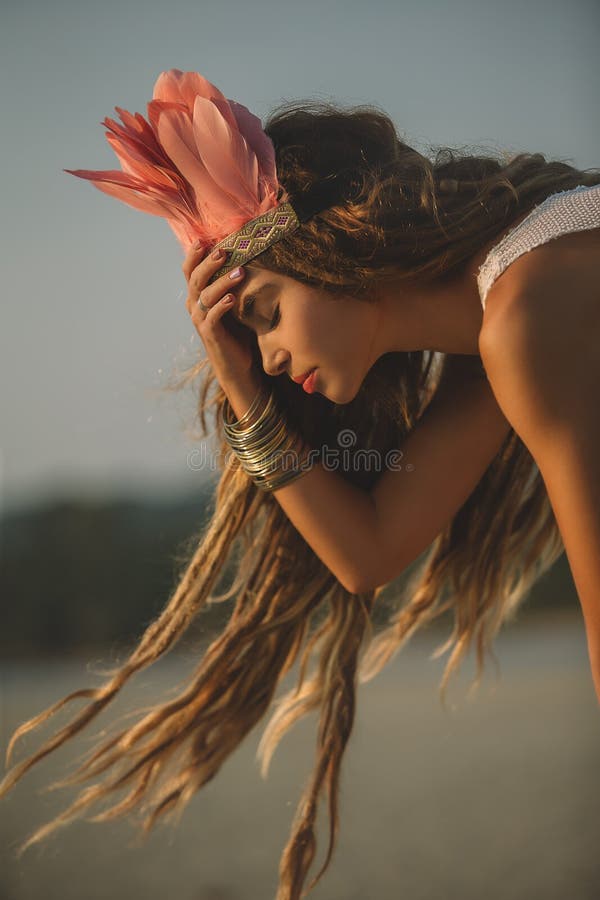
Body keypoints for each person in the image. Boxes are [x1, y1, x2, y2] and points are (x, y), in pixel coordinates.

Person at [2, 69, 599, 900]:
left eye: (266, 314)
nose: (272, 358)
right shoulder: (502, 317)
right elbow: (369, 553)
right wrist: (246, 393)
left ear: (325, 248)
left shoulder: (527, 323)